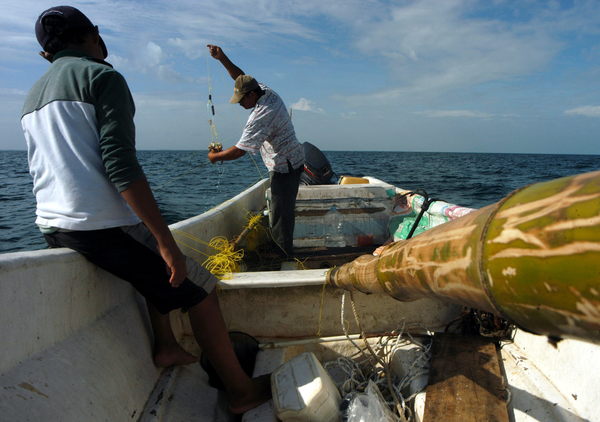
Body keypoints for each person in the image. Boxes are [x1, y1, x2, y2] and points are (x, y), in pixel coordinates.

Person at [22, 6, 270, 414]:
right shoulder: (103, 77)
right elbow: (120, 165)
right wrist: (166, 241)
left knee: (151, 274)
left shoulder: (32, 95)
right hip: (101, 229)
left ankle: (168, 346)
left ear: (44, 56)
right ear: (95, 37)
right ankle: (241, 392)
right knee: (201, 292)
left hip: (53, 228)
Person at [206, 44, 304, 258]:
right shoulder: (264, 91)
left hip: (285, 166)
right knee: (281, 209)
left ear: (251, 95)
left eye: (241, 100)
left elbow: (239, 151)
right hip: (291, 159)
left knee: (281, 213)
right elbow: (240, 76)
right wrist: (222, 58)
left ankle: (282, 256)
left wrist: (215, 157)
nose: (239, 104)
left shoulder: (261, 115)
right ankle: (279, 246)